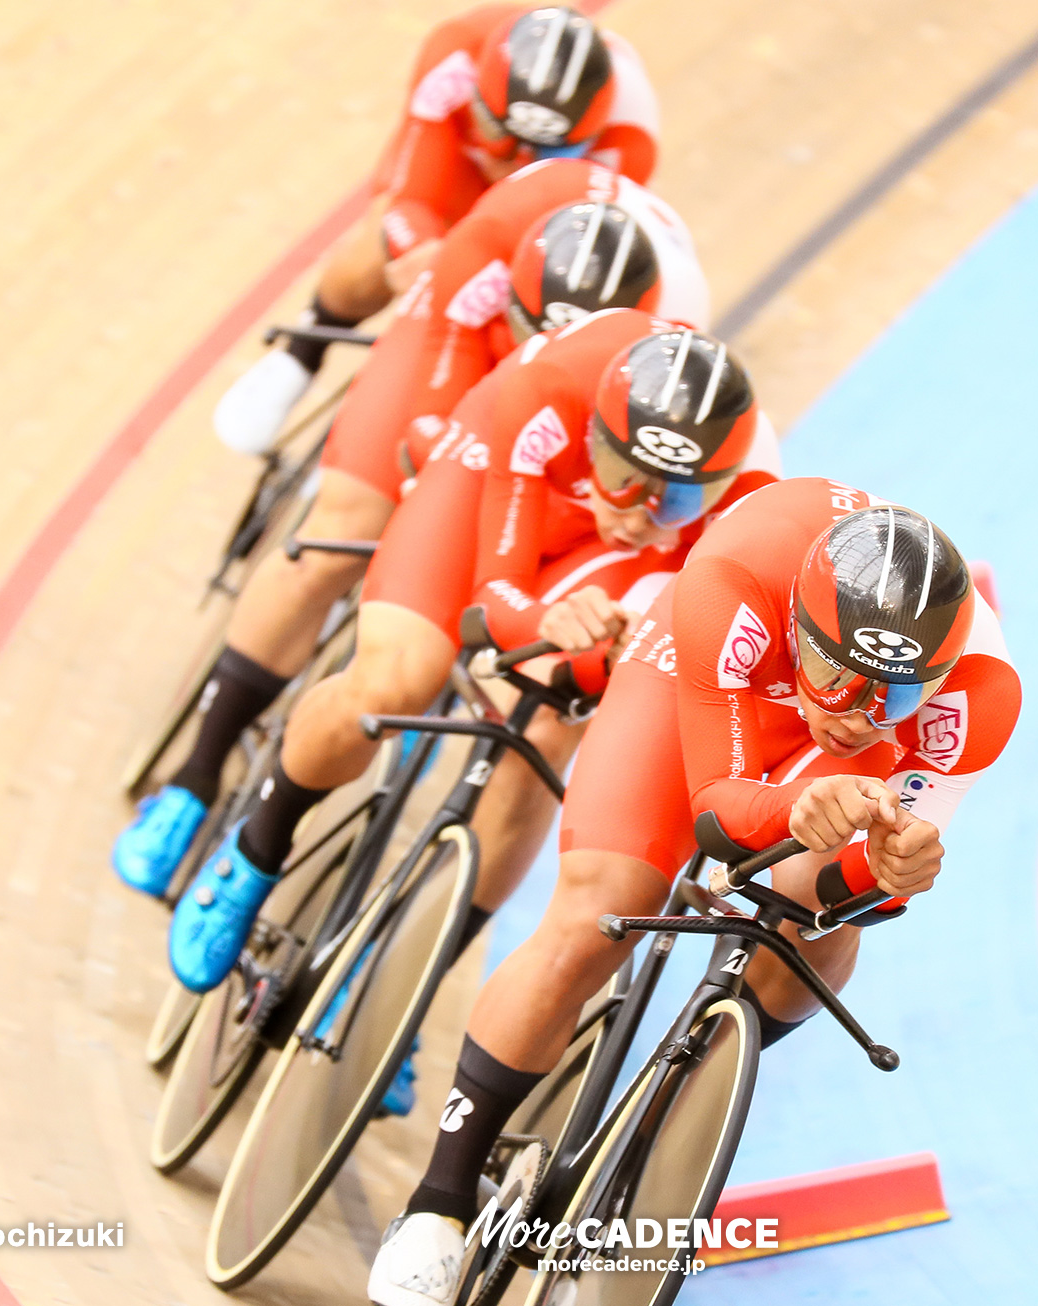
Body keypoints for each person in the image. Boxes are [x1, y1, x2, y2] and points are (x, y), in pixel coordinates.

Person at [365, 478, 1022, 1304]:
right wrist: (793, 805)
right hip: (704, 685)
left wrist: (886, 871)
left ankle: (672, 1114)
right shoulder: (735, 579)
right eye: (836, 671)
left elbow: (870, 887)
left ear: (938, 675)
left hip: (820, 757)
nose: (854, 711)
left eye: (890, 693)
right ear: (798, 624)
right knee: (597, 912)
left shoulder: (980, 693)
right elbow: (718, 810)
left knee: (813, 923)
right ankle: (439, 1203)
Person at [114, 166, 705, 896]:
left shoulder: (669, 341)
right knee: (343, 529)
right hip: (472, 349)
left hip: (584, 426)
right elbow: (440, 384)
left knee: (551, 694)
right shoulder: (496, 237)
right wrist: (430, 455)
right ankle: (193, 778)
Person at [163, 314, 777, 1011]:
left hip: (629, 566)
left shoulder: (752, 497)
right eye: (623, 476)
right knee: (393, 680)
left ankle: (395, 994)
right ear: (594, 437)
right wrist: (543, 616)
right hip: (496, 480)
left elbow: (684, 652)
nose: (638, 511)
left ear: (718, 482)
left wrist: (616, 645)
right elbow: (494, 593)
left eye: (676, 495)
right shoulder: (549, 389)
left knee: (548, 732)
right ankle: (254, 851)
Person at [213, 6, 661, 454]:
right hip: (457, 166)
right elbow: (410, 199)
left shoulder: (628, 147)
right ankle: (302, 351)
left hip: (546, 207)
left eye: (538, 148)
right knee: (386, 242)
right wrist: (426, 255)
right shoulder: (456, 53)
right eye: (498, 132)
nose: (512, 157)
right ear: (479, 92)